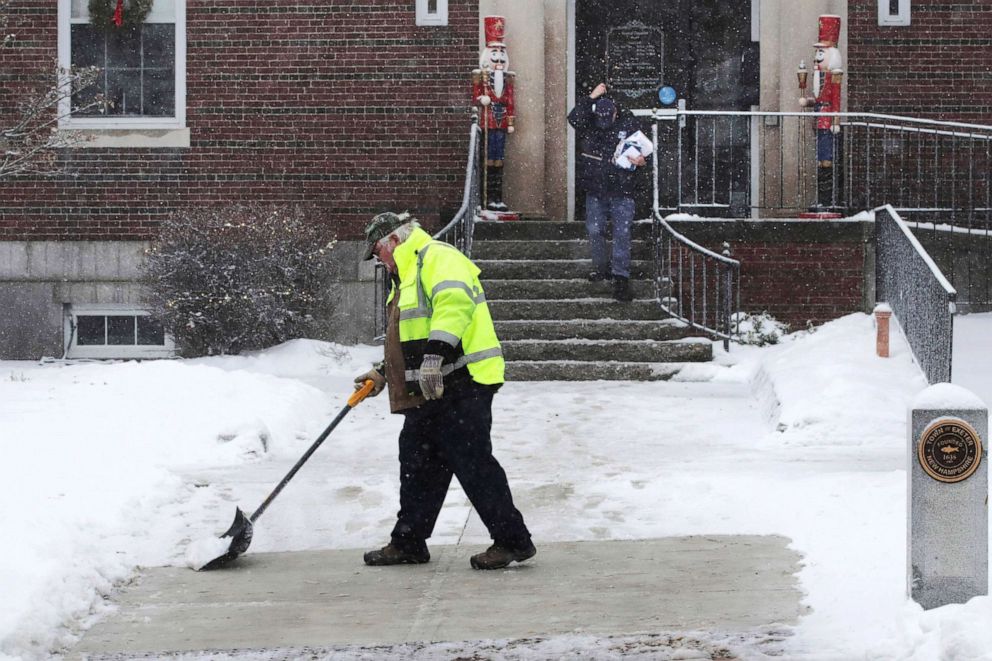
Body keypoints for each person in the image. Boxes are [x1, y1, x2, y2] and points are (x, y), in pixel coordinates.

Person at [354, 211, 535, 570]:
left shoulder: (437, 257)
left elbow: (455, 306)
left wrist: (436, 356)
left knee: (472, 462)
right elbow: (409, 336)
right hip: (432, 388)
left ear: (393, 240)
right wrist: (383, 372)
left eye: (377, 251)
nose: (378, 260)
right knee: (418, 461)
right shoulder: (405, 276)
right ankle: (408, 541)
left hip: (464, 381)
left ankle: (513, 541)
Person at [568, 82, 649, 302]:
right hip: (596, 187)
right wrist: (591, 97)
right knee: (595, 230)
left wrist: (642, 161)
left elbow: (645, 148)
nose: (604, 124)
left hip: (622, 188)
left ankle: (620, 277)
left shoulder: (629, 122)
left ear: (615, 113)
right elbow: (574, 119)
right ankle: (601, 268)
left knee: (621, 233)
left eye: (608, 119)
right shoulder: (590, 121)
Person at [472, 15, 515, 211]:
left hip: (501, 122)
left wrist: (511, 121)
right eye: (494, 51)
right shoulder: (480, 76)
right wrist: (482, 99)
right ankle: (486, 198)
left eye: (500, 52)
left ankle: (498, 197)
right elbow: (475, 96)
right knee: (487, 159)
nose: (498, 56)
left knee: (499, 159)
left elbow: (510, 101)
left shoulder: (508, 79)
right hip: (487, 121)